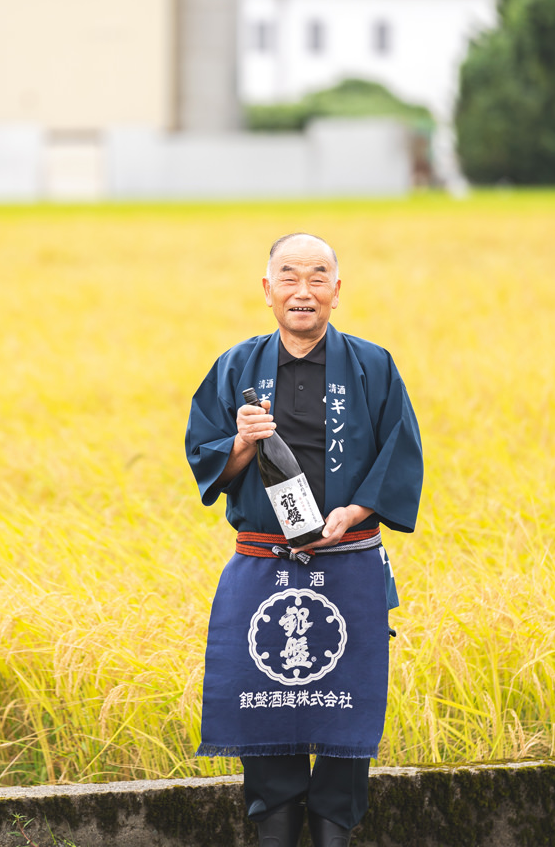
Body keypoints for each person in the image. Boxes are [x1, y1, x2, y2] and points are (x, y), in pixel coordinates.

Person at [185, 232, 423, 847]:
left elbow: (400, 449)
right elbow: (206, 461)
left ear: (337, 292)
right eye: (288, 277)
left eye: (318, 278)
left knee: (345, 720)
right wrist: (240, 442)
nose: (303, 291)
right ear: (267, 291)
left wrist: (358, 507)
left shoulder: (374, 365)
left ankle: (335, 833)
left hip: (346, 561)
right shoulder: (236, 367)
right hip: (265, 564)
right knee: (266, 715)